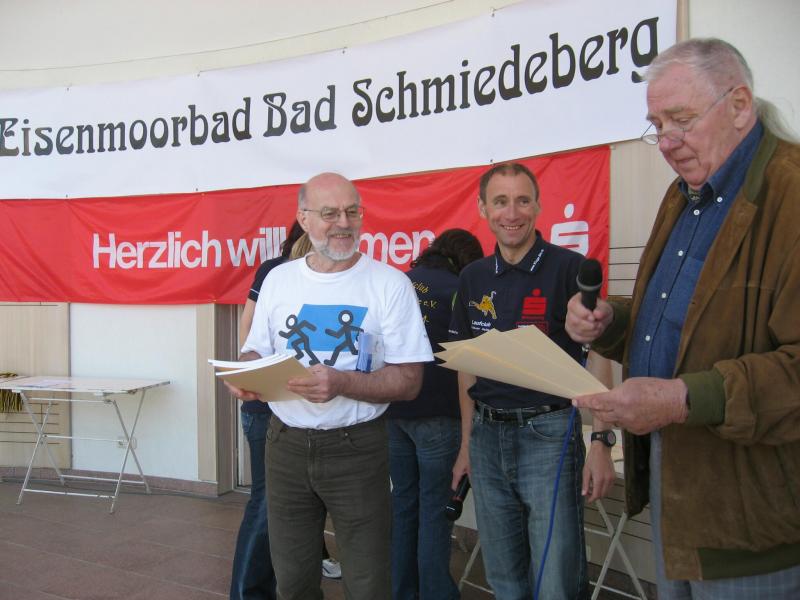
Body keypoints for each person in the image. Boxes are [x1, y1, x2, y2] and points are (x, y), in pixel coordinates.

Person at [566, 38, 800, 598]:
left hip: (757, 522)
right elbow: (679, 322)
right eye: (657, 125)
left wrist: (681, 399)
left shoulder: (790, 195)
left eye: (682, 120)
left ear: (739, 105)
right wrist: (612, 324)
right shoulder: (686, 193)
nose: (667, 142)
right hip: (680, 495)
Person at [229, 172, 433, 600]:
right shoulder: (279, 280)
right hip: (284, 445)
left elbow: (410, 380)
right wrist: (247, 374)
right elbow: (255, 350)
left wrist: (341, 382)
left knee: (368, 583)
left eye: (352, 212)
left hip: (357, 448)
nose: (344, 223)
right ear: (303, 219)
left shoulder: (390, 284)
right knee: (292, 582)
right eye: (330, 213)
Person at [449, 162, 615, 600]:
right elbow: (467, 367)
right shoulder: (472, 277)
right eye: (501, 201)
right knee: (503, 578)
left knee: (555, 580)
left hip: (549, 435)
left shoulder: (569, 268)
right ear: (483, 208)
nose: (512, 213)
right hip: (486, 437)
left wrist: (601, 440)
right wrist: (466, 444)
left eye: (523, 200)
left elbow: (599, 353)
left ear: (538, 206)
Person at [233, 223, 338, 600]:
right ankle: (247, 592)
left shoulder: (335, 278)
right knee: (266, 503)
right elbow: (248, 332)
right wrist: (256, 377)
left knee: (295, 505)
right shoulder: (277, 273)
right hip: (268, 407)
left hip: (300, 413)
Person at [387, 228, 484, 600]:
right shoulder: (460, 289)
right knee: (434, 513)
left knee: (403, 507)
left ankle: (403, 592)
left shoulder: (400, 283)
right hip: (441, 416)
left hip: (394, 411)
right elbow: (471, 360)